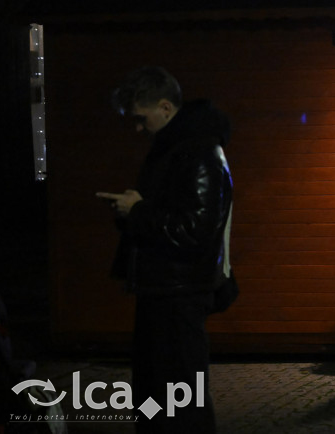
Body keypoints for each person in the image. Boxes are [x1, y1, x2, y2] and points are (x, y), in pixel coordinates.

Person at [96, 66, 233, 433]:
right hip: (164, 289)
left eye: (141, 119)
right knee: (162, 394)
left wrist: (137, 211)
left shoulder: (198, 153)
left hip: (179, 292)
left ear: (165, 107)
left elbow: (196, 230)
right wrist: (133, 212)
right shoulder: (178, 150)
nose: (138, 129)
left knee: (179, 396)